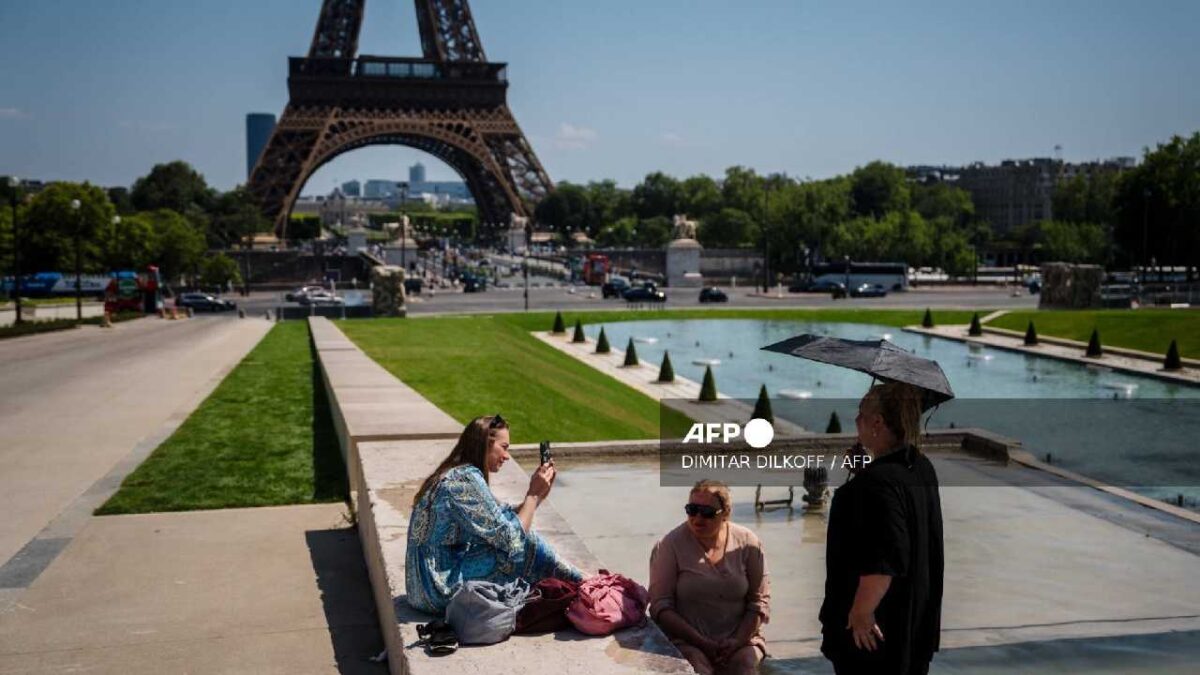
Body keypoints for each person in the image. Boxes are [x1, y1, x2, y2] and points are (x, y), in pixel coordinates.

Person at [820, 382, 945, 675]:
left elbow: (886, 557)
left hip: (876, 636)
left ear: (877, 422)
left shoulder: (876, 485)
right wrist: (864, 472)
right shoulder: (919, 465)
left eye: (861, 414)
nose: (856, 421)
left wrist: (861, 612)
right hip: (913, 624)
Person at [405, 414, 583, 614]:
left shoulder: (456, 473)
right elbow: (511, 540)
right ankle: (584, 586)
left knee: (516, 542)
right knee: (526, 545)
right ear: (484, 444)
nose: (507, 456)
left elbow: (499, 517)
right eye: (504, 447)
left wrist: (538, 494)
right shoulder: (464, 480)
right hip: (437, 589)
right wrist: (532, 495)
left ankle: (576, 585)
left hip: (421, 587)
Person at [649, 480, 770, 675]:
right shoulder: (669, 545)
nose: (697, 518)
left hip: (741, 639)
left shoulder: (748, 543)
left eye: (707, 512)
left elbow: (759, 602)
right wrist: (702, 643)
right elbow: (660, 606)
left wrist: (737, 641)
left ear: (726, 513)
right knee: (698, 669)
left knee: (744, 668)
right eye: (692, 509)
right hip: (688, 640)